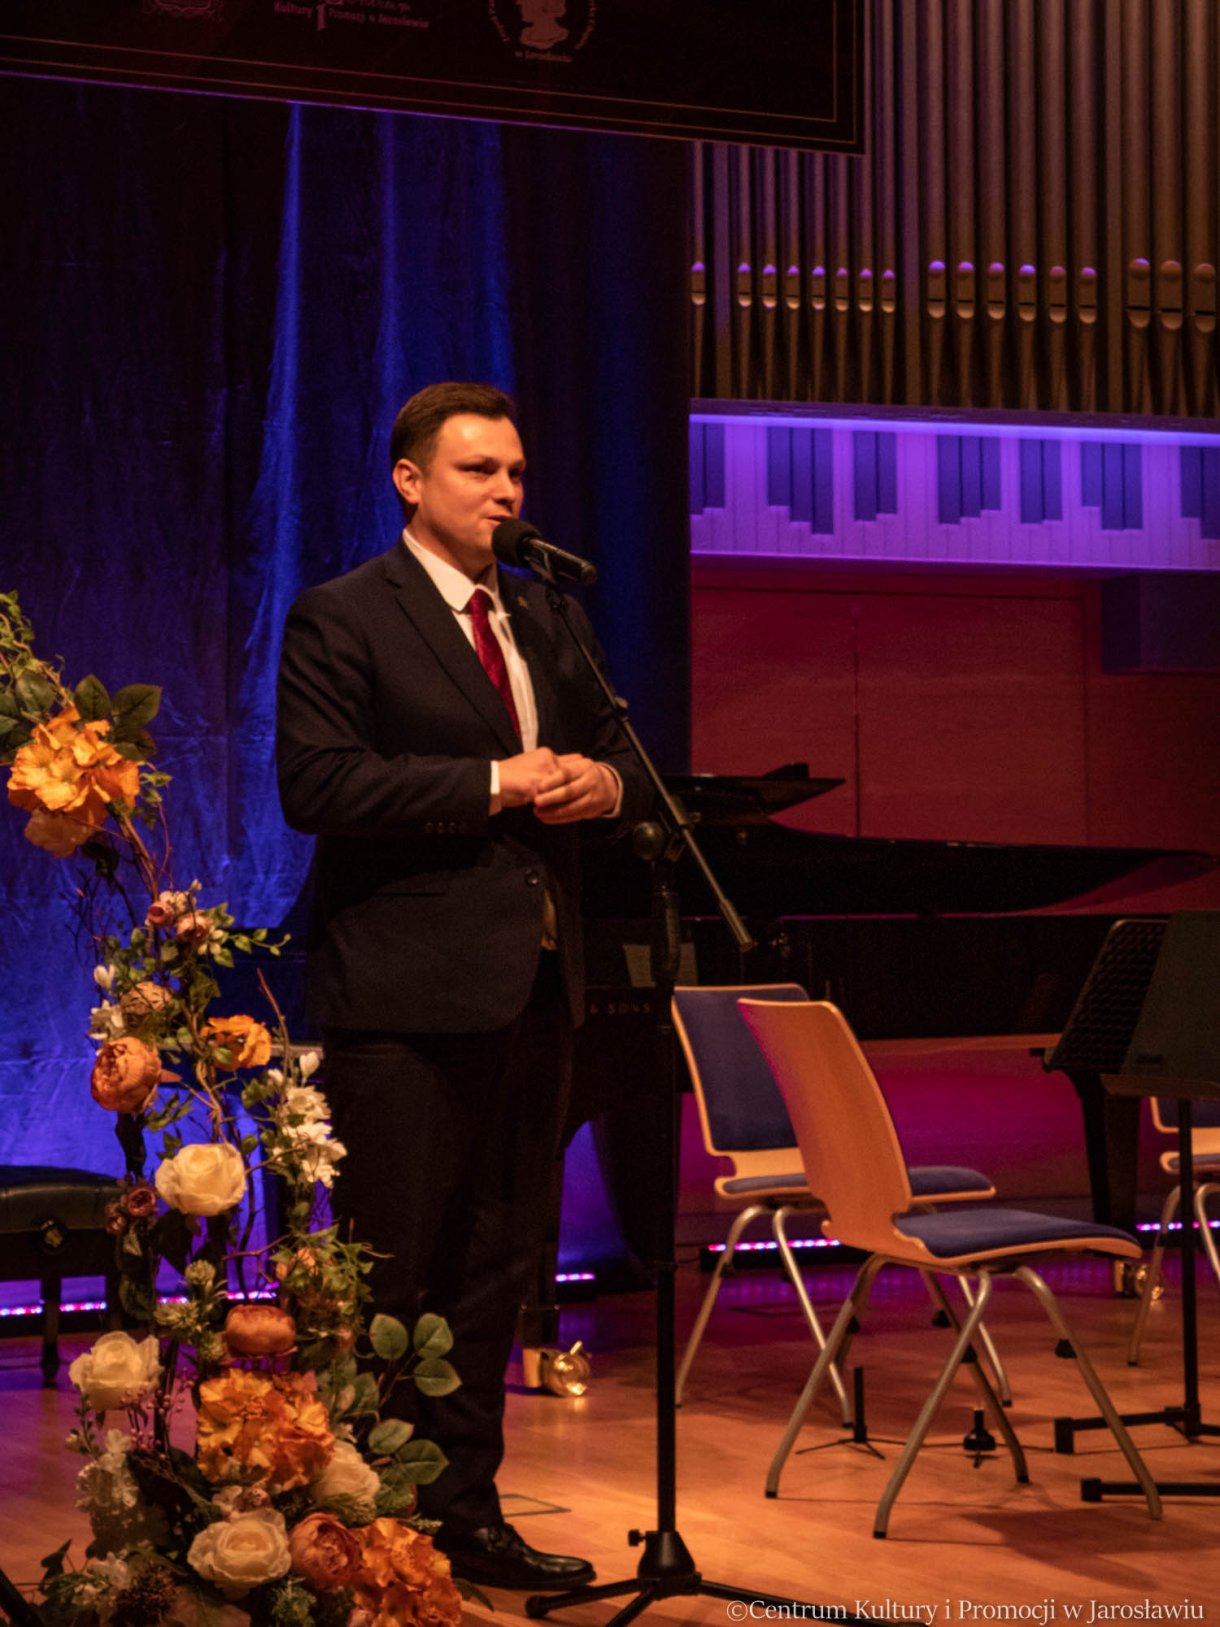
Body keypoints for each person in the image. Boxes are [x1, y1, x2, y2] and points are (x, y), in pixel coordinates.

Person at [275, 382, 649, 1591]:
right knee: (389, 1266)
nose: (505, 494)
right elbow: (319, 785)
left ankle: (464, 1513)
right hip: (400, 1003)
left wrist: (599, 785)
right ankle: (361, 1520)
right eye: (480, 471)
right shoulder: (343, 616)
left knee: (498, 1261)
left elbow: (607, 754)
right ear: (409, 480)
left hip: (535, 989)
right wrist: (492, 781)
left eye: (517, 474)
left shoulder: (541, 620)